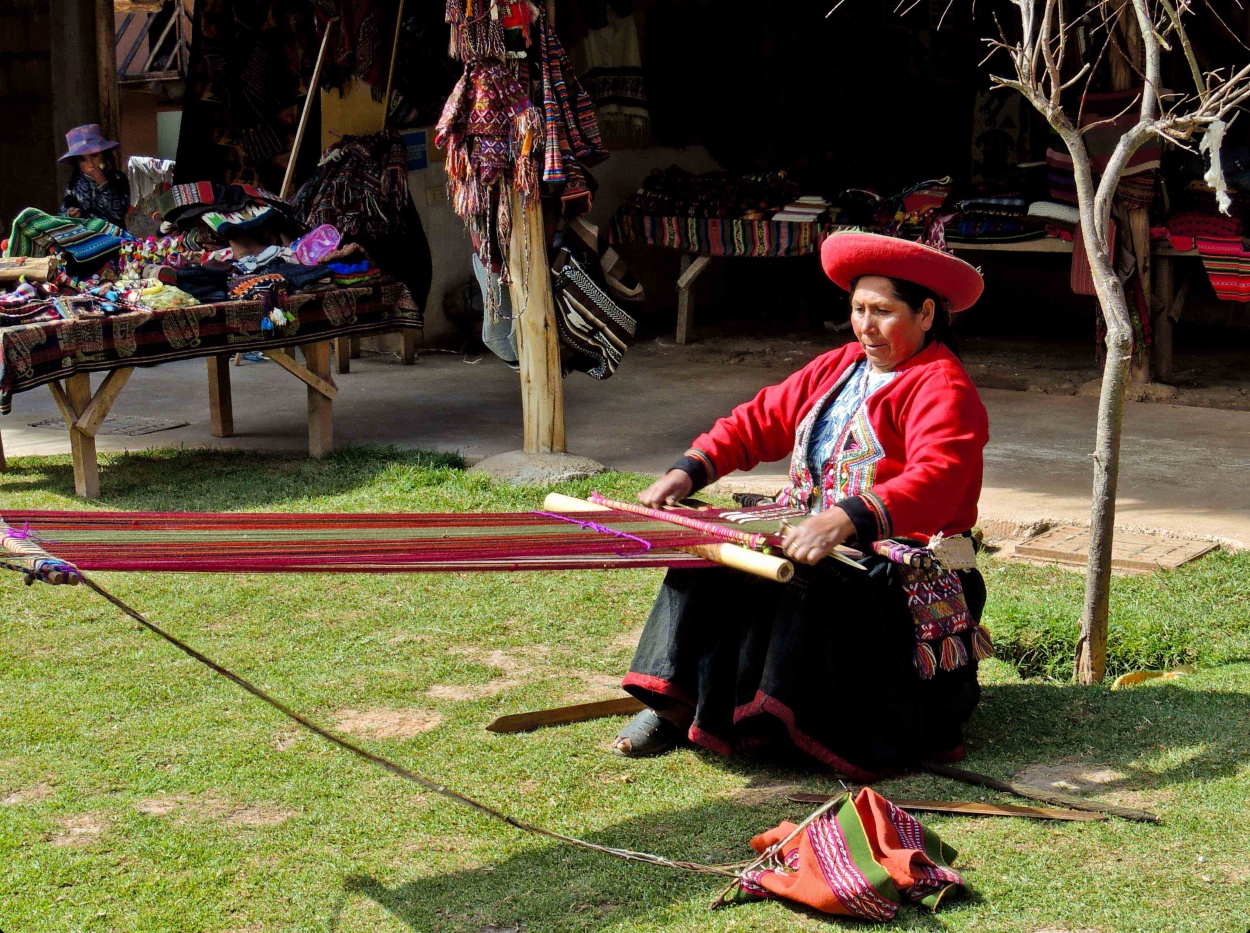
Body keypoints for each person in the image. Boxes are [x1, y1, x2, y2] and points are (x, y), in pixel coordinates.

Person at [612, 232, 992, 780]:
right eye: (859, 309)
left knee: (808, 579)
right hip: (809, 530)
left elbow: (940, 479)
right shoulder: (838, 367)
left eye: (884, 311)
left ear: (927, 313)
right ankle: (672, 707)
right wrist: (687, 471)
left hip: (901, 559)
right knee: (707, 554)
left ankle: (780, 720)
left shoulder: (943, 386)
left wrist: (844, 519)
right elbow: (759, 419)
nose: (866, 325)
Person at [59, 124, 131, 229]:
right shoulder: (74, 184)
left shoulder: (117, 178)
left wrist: (103, 184)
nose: (91, 164)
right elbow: (62, 213)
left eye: (94, 156)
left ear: (104, 155)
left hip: (114, 238)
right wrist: (70, 213)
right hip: (86, 240)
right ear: (77, 163)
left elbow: (119, 212)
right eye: (83, 160)